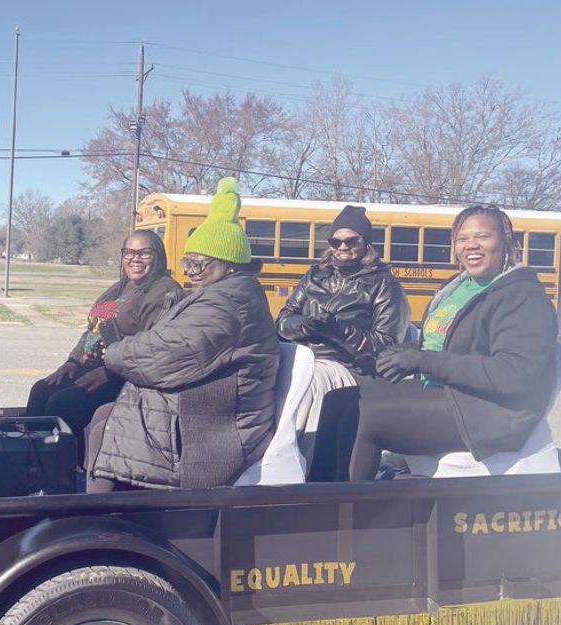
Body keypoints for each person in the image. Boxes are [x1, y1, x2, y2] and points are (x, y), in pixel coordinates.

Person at [85, 177, 279, 491]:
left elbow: (164, 352)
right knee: (105, 415)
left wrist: (114, 354)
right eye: (187, 262)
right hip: (208, 408)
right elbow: (165, 339)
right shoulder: (223, 295)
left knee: (108, 424)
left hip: (220, 431)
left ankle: (100, 524)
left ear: (228, 264)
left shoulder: (227, 305)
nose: (190, 271)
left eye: (198, 262)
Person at [345, 205, 558, 481]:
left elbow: (514, 374)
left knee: (366, 417)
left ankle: (348, 514)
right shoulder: (460, 286)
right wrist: (406, 352)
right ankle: (310, 498)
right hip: (446, 392)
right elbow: (446, 345)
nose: (471, 245)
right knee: (343, 401)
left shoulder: (523, 296)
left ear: (506, 243)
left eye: (483, 237)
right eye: (462, 239)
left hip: (489, 413)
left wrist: (424, 361)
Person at [275, 205, 409, 471]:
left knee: (311, 380)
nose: (342, 247)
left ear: (365, 243)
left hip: (351, 368)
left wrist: (338, 331)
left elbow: (385, 349)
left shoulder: (385, 286)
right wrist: (306, 325)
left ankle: (298, 463)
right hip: (305, 358)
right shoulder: (314, 276)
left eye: (351, 240)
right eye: (336, 241)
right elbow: (282, 321)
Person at [25, 229, 181, 450]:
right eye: (129, 252)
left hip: (125, 378)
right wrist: (72, 362)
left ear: (158, 256)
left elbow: (152, 349)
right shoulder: (121, 286)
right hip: (93, 368)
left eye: (144, 253)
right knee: (41, 390)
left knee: (62, 404)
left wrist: (111, 372)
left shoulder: (164, 292)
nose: (135, 258)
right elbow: (93, 329)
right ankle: (29, 459)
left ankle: (68, 472)